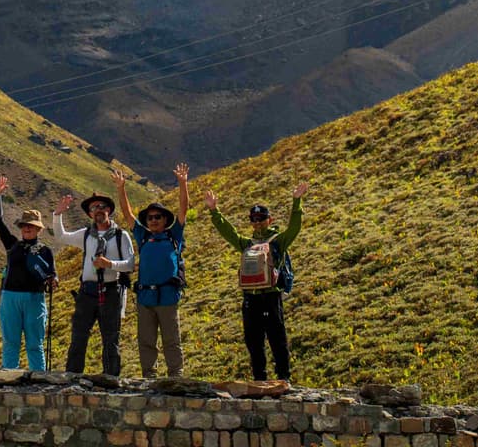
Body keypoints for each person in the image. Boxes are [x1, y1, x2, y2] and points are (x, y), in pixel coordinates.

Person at [204, 181, 308, 382]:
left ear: (270, 220)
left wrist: (297, 202)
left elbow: (295, 228)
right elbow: (229, 233)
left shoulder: (278, 241)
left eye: (261, 218)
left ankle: (283, 378)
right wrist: (214, 211)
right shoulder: (246, 243)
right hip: (250, 297)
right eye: (254, 219)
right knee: (253, 340)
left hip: (270, 295)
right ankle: (259, 378)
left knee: (277, 338)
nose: (258, 222)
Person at [113, 163, 189, 378]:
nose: (154, 220)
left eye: (158, 217)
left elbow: (184, 209)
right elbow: (127, 214)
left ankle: (176, 376)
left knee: (171, 340)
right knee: (146, 340)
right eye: (150, 218)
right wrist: (121, 188)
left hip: (167, 296)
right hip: (145, 297)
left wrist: (183, 184)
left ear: (165, 219)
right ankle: (150, 376)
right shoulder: (143, 235)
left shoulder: (174, 235)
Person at [53, 189, 135, 376]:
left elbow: (130, 265)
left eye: (102, 206)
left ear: (109, 210)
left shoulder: (121, 236)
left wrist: (110, 264)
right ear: (90, 213)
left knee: (111, 339)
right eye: (94, 207)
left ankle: (111, 378)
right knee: (79, 337)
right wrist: (57, 214)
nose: (98, 209)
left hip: (112, 290)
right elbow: (61, 237)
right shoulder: (85, 235)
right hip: (87, 291)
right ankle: (73, 377)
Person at [0, 174, 58, 371]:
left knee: (34, 344)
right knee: (10, 342)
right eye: (25, 226)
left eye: (32, 226)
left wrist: (54, 280)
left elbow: (51, 273)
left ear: (38, 229)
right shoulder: (12, 245)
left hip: (34, 298)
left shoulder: (46, 251)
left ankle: (39, 377)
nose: (27, 229)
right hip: (10, 297)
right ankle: (9, 376)